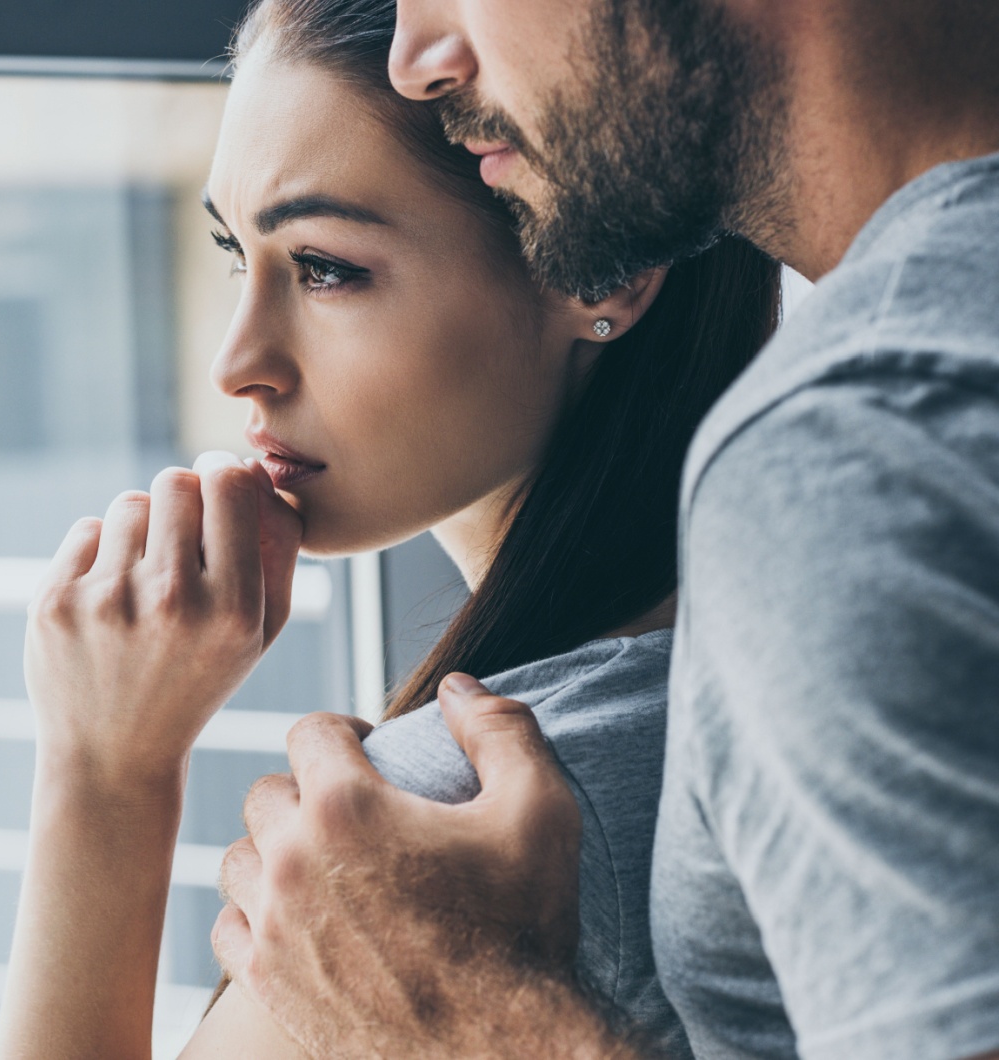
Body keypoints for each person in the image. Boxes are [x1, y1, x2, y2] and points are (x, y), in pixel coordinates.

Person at [211, 1, 999, 1058]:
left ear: (606, 290)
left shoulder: (856, 446)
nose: (419, 55)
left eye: (326, 267)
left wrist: (482, 1023)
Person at [0, 0, 779, 1055]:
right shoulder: (756, 666)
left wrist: (102, 773)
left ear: (601, 273)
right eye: (238, 253)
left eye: (325, 268)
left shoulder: (466, 817)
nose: (237, 362)